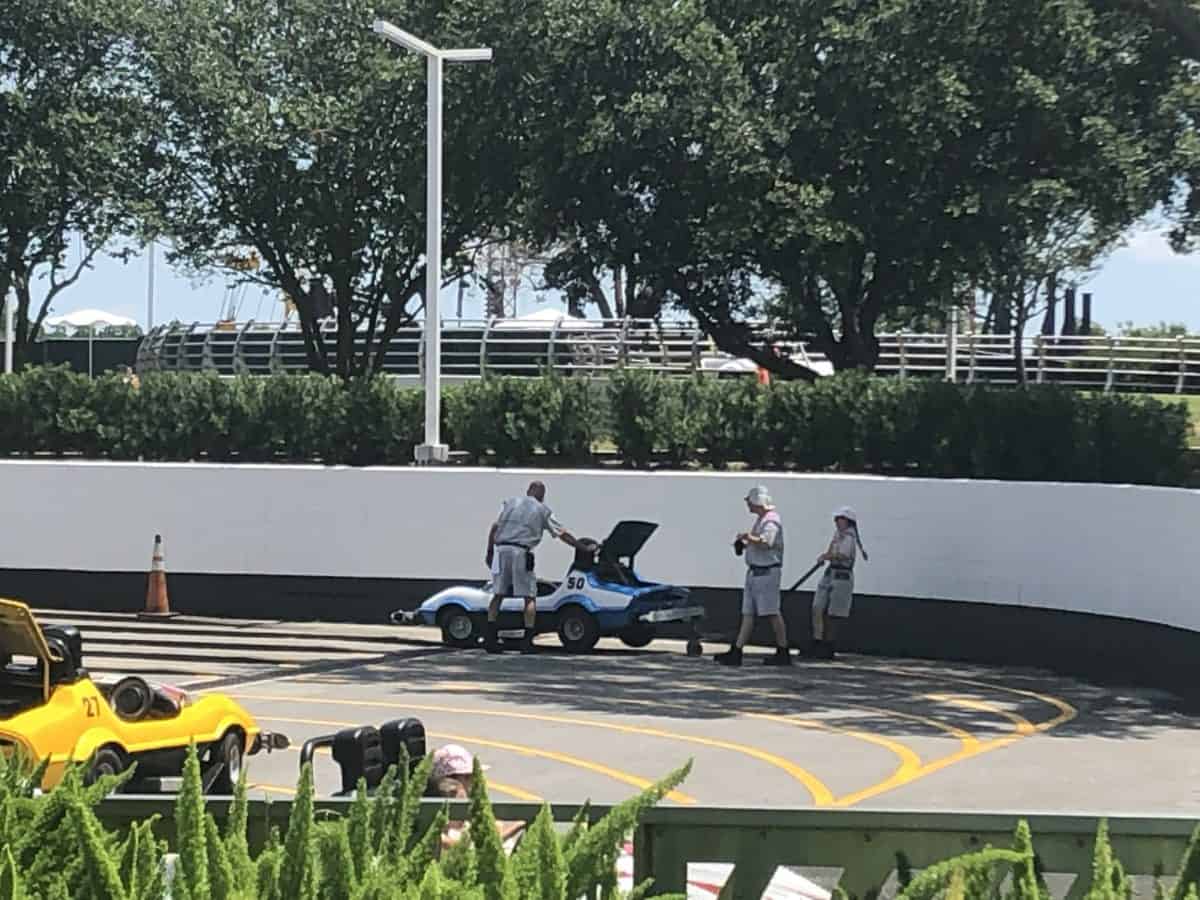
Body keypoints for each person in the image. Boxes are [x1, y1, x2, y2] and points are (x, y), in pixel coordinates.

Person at [484, 481, 580, 653]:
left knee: (498, 594)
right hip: (521, 551)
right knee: (529, 596)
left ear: (528, 491)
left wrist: (489, 552)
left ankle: (490, 637)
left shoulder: (511, 503)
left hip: (501, 550)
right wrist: (581, 546)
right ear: (542, 495)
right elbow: (561, 533)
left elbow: (494, 527)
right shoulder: (542, 510)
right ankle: (527, 641)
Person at [715, 486, 791, 667]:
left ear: (757, 501)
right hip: (755, 572)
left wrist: (747, 537)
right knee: (748, 613)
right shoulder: (761, 520)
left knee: (772, 612)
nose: (748, 504)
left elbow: (767, 542)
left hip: (766, 573)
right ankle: (737, 651)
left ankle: (783, 650)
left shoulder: (771, 521)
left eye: (750, 501)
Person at [427, 745, 525, 852]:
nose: (474, 782)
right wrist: (517, 826)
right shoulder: (440, 831)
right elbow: (469, 849)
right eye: (468, 777)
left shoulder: (467, 819)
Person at [809, 506, 868, 660]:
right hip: (831, 572)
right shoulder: (838, 535)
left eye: (840, 518)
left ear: (847, 521)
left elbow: (843, 554)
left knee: (834, 613)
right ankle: (817, 641)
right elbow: (832, 549)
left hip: (842, 575)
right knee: (817, 607)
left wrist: (826, 556)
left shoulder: (849, 538)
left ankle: (828, 645)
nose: (836, 521)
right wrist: (826, 556)